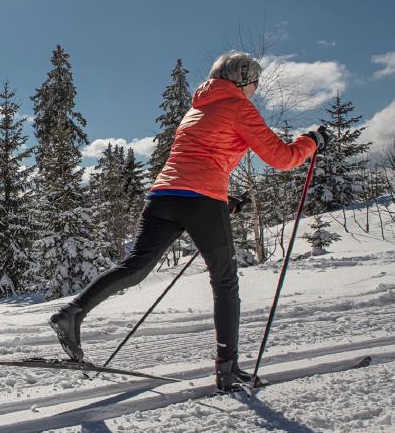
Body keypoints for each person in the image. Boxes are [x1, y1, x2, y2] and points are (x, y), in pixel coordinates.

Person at [48, 51, 329, 392]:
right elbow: (282, 159)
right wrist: (311, 142)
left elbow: (198, 162)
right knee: (225, 283)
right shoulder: (239, 106)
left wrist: (225, 201)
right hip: (202, 198)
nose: (255, 89)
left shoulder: (197, 109)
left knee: (135, 268)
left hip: (163, 196)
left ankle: (73, 312)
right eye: (253, 82)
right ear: (243, 80)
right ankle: (228, 370)